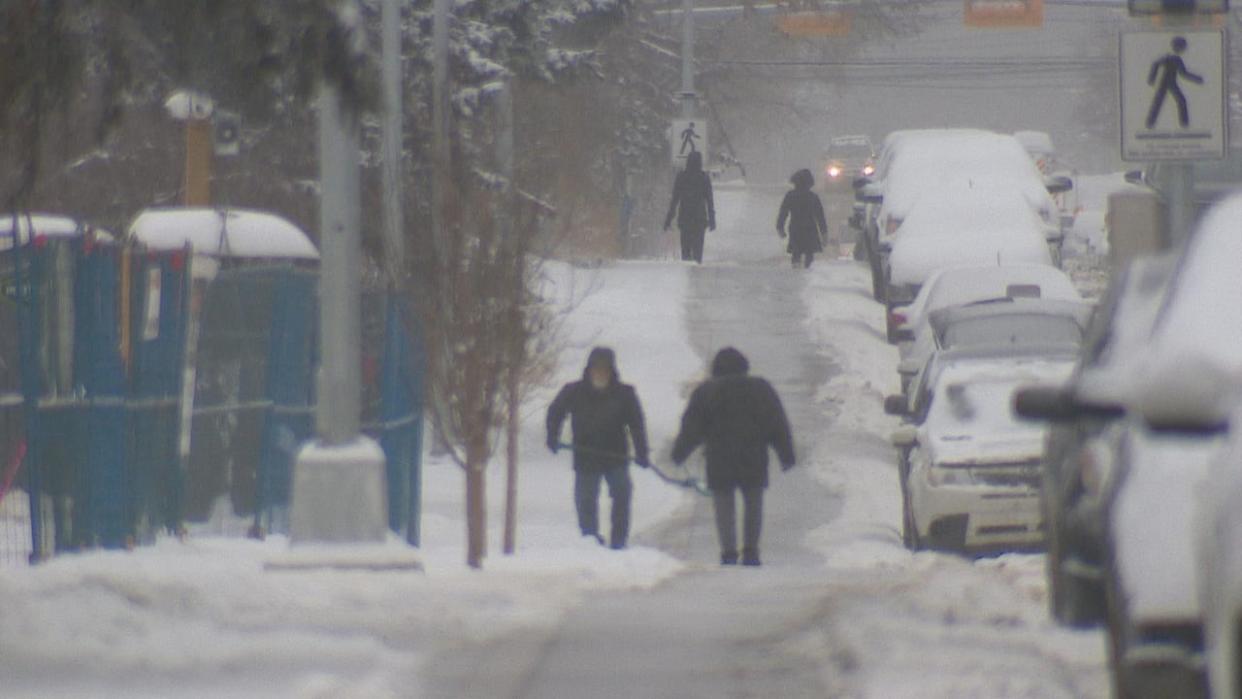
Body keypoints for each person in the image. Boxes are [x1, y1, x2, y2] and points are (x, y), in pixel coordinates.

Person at [671, 347, 795, 566]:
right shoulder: (761, 389)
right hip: (753, 457)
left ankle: (728, 553)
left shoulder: (706, 392)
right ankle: (751, 551)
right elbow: (777, 422)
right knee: (753, 504)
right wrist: (786, 454)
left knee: (724, 506)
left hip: (720, 459)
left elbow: (692, 428)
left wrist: (679, 453)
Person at [547, 347, 650, 549]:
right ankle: (590, 541)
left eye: (604, 369)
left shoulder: (625, 394)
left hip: (616, 456)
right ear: (589, 369)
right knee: (585, 501)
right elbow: (555, 412)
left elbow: (637, 424)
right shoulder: (574, 392)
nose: (600, 373)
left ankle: (619, 541)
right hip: (586, 456)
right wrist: (553, 435)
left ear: (612, 371)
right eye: (596, 369)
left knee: (622, 494)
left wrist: (642, 452)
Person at [664, 151, 716, 264]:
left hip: (685, 219)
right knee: (698, 253)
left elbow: (675, 200)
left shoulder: (681, 177)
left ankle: (687, 270)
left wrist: (668, 220)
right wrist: (712, 220)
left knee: (686, 252)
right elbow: (709, 201)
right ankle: (695, 273)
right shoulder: (704, 178)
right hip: (699, 220)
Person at [776, 169, 828, 269]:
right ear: (810, 183)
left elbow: (783, 213)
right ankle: (808, 270)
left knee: (796, 252)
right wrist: (824, 233)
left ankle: (795, 268)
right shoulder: (813, 197)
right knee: (809, 253)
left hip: (795, 228)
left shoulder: (790, 196)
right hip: (810, 229)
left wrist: (780, 227)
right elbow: (820, 217)